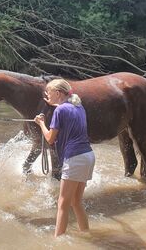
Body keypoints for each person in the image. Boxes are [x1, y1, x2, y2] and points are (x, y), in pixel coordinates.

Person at [34, 79, 95, 236]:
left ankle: (57, 241)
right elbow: (64, 108)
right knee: (76, 202)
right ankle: (86, 234)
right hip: (88, 156)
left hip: (75, 158)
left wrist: (41, 123)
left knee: (62, 203)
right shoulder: (78, 106)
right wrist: (55, 104)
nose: (46, 95)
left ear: (58, 93)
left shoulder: (60, 111)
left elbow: (50, 139)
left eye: (48, 92)